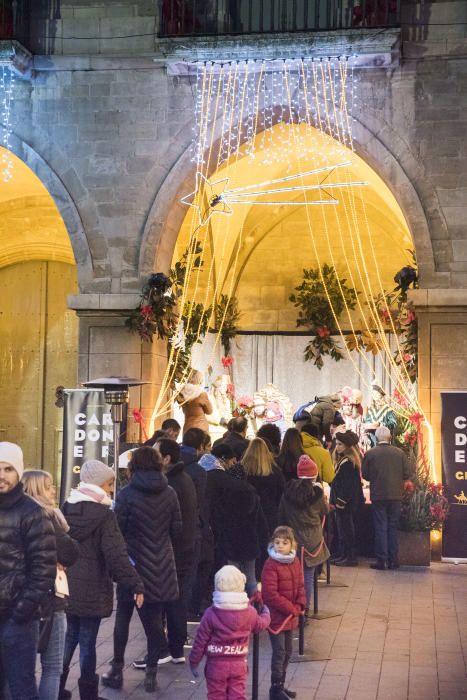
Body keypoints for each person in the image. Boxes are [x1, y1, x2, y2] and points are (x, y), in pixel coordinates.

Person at [61, 460, 144, 700]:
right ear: (99, 484)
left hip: (67, 586)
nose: (110, 490)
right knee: (87, 641)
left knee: (68, 638)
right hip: (93, 588)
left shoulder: (66, 507)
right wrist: (135, 583)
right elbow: (116, 555)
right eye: (109, 484)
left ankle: (55, 686)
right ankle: (88, 694)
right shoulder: (105, 516)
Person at [103, 447, 181, 691]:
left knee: (123, 617)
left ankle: (116, 669)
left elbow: (118, 531)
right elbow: (176, 530)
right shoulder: (170, 493)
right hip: (162, 564)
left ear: (134, 466)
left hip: (133, 563)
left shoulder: (126, 494)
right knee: (154, 621)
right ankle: (151, 673)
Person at [0, 443, 56, 700]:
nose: (2, 475)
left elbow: (43, 570)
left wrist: (22, 611)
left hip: (17, 617)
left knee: (22, 686)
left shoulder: (33, 513)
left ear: (19, 472)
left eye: (8, 469)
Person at [21, 470, 79, 700]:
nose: (53, 490)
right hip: (50, 598)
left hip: (17, 598)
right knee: (52, 666)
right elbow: (71, 553)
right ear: (36, 489)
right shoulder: (48, 517)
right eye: (48, 486)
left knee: (17, 667)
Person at [189, 565, 271, 700]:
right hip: (238, 663)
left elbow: (200, 640)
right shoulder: (249, 612)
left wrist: (194, 661)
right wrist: (266, 613)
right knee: (237, 695)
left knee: (216, 695)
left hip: (215, 665)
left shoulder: (211, 613)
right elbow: (260, 625)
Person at [278, 455, 330, 615]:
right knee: (308, 575)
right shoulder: (318, 494)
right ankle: (304, 609)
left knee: (290, 576)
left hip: (292, 540)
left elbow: (281, 515)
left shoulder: (288, 493)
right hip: (313, 540)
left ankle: (289, 607)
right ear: (314, 474)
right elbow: (325, 511)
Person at [261, 526, 306, 700]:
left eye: (284, 543)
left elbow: (300, 585)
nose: (280, 546)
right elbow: (270, 595)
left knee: (288, 651)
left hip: (290, 616)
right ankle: (275, 688)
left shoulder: (295, 562)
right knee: (279, 652)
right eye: (277, 542)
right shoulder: (271, 564)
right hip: (276, 617)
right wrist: (291, 608)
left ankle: (281, 685)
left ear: (292, 544)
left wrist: (301, 603)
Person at [362, 426, 413, 570]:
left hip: (378, 494)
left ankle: (382, 560)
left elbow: (365, 475)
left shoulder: (370, 453)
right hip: (396, 495)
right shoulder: (400, 453)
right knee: (392, 527)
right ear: (390, 437)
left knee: (380, 527)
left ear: (377, 438)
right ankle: (393, 560)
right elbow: (407, 473)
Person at [181, 427, 214, 617]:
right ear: (201, 446)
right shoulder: (198, 471)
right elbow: (201, 502)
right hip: (193, 527)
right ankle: (189, 610)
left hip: (172, 525)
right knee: (194, 570)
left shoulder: (172, 462)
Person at [330, 430, 364, 567]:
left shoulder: (347, 463)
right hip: (344, 502)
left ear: (347, 447)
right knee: (343, 529)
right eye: (336, 444)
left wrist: (340, 502)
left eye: (340, 444)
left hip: (345, 503)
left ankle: (349, 556)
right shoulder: (346, 461)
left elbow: (347, 486)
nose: (337, 447)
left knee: (346, 529)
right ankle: (344, 554)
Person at [243, 437, 285, 538]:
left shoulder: (243, 471)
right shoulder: (275, 472)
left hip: (248, 517)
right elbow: (281, 493)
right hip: (270, 516)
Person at [178, 369, 213, 434]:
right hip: (201, 428)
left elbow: (183, 410)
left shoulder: (181, 393)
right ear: (198, 379)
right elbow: (210, 411)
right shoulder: (200, 393)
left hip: (187, 428)